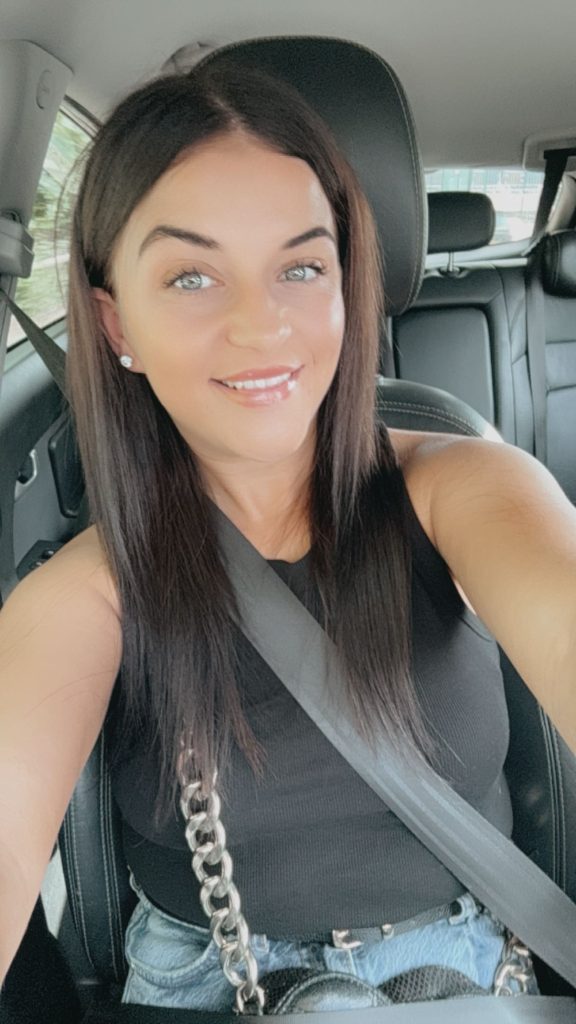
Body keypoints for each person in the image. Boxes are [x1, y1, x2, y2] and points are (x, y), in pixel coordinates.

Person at [1, 59, 575, 1013]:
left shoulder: (468, 486)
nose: (260, 325)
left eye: (301, 267)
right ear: (115, 324)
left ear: (346, 285)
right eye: (191, 276)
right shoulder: (87, 590)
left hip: (466, 972)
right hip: (205, 984)